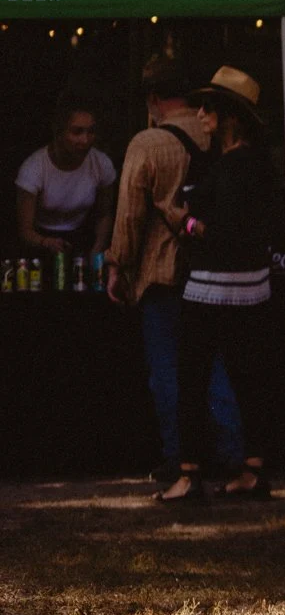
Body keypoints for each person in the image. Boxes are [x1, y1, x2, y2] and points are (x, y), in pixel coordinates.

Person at [105, 58, 238, 498]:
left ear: (153, 98)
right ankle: (231, 452)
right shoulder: (216, 133)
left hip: (161, 270)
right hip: (212, 265)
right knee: (215, 367)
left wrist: (118, 265)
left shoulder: (147, 142)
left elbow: (129, 214)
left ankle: (182, 458)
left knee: (167, 370)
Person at [174, 68, 282, 499]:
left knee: (192, 379)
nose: (200, 114)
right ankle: (251, 469)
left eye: (209, 107)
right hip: (253, 288)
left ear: (230, 117)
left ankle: (189, 474)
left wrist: (187, 222)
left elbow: (224, 232)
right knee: (250, 379)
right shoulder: (261, 165)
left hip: (210, 288)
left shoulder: (231, 167)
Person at [15, 99, 115, 256]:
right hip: (40, 241)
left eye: (91, 131)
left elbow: (104, 214)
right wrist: (45, 242)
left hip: (82, 237)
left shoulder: (101, 164)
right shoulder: (34, 168)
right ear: (59, 133)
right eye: (77, 132)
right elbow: (25, 231)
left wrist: (97, 249)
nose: (85, 140)